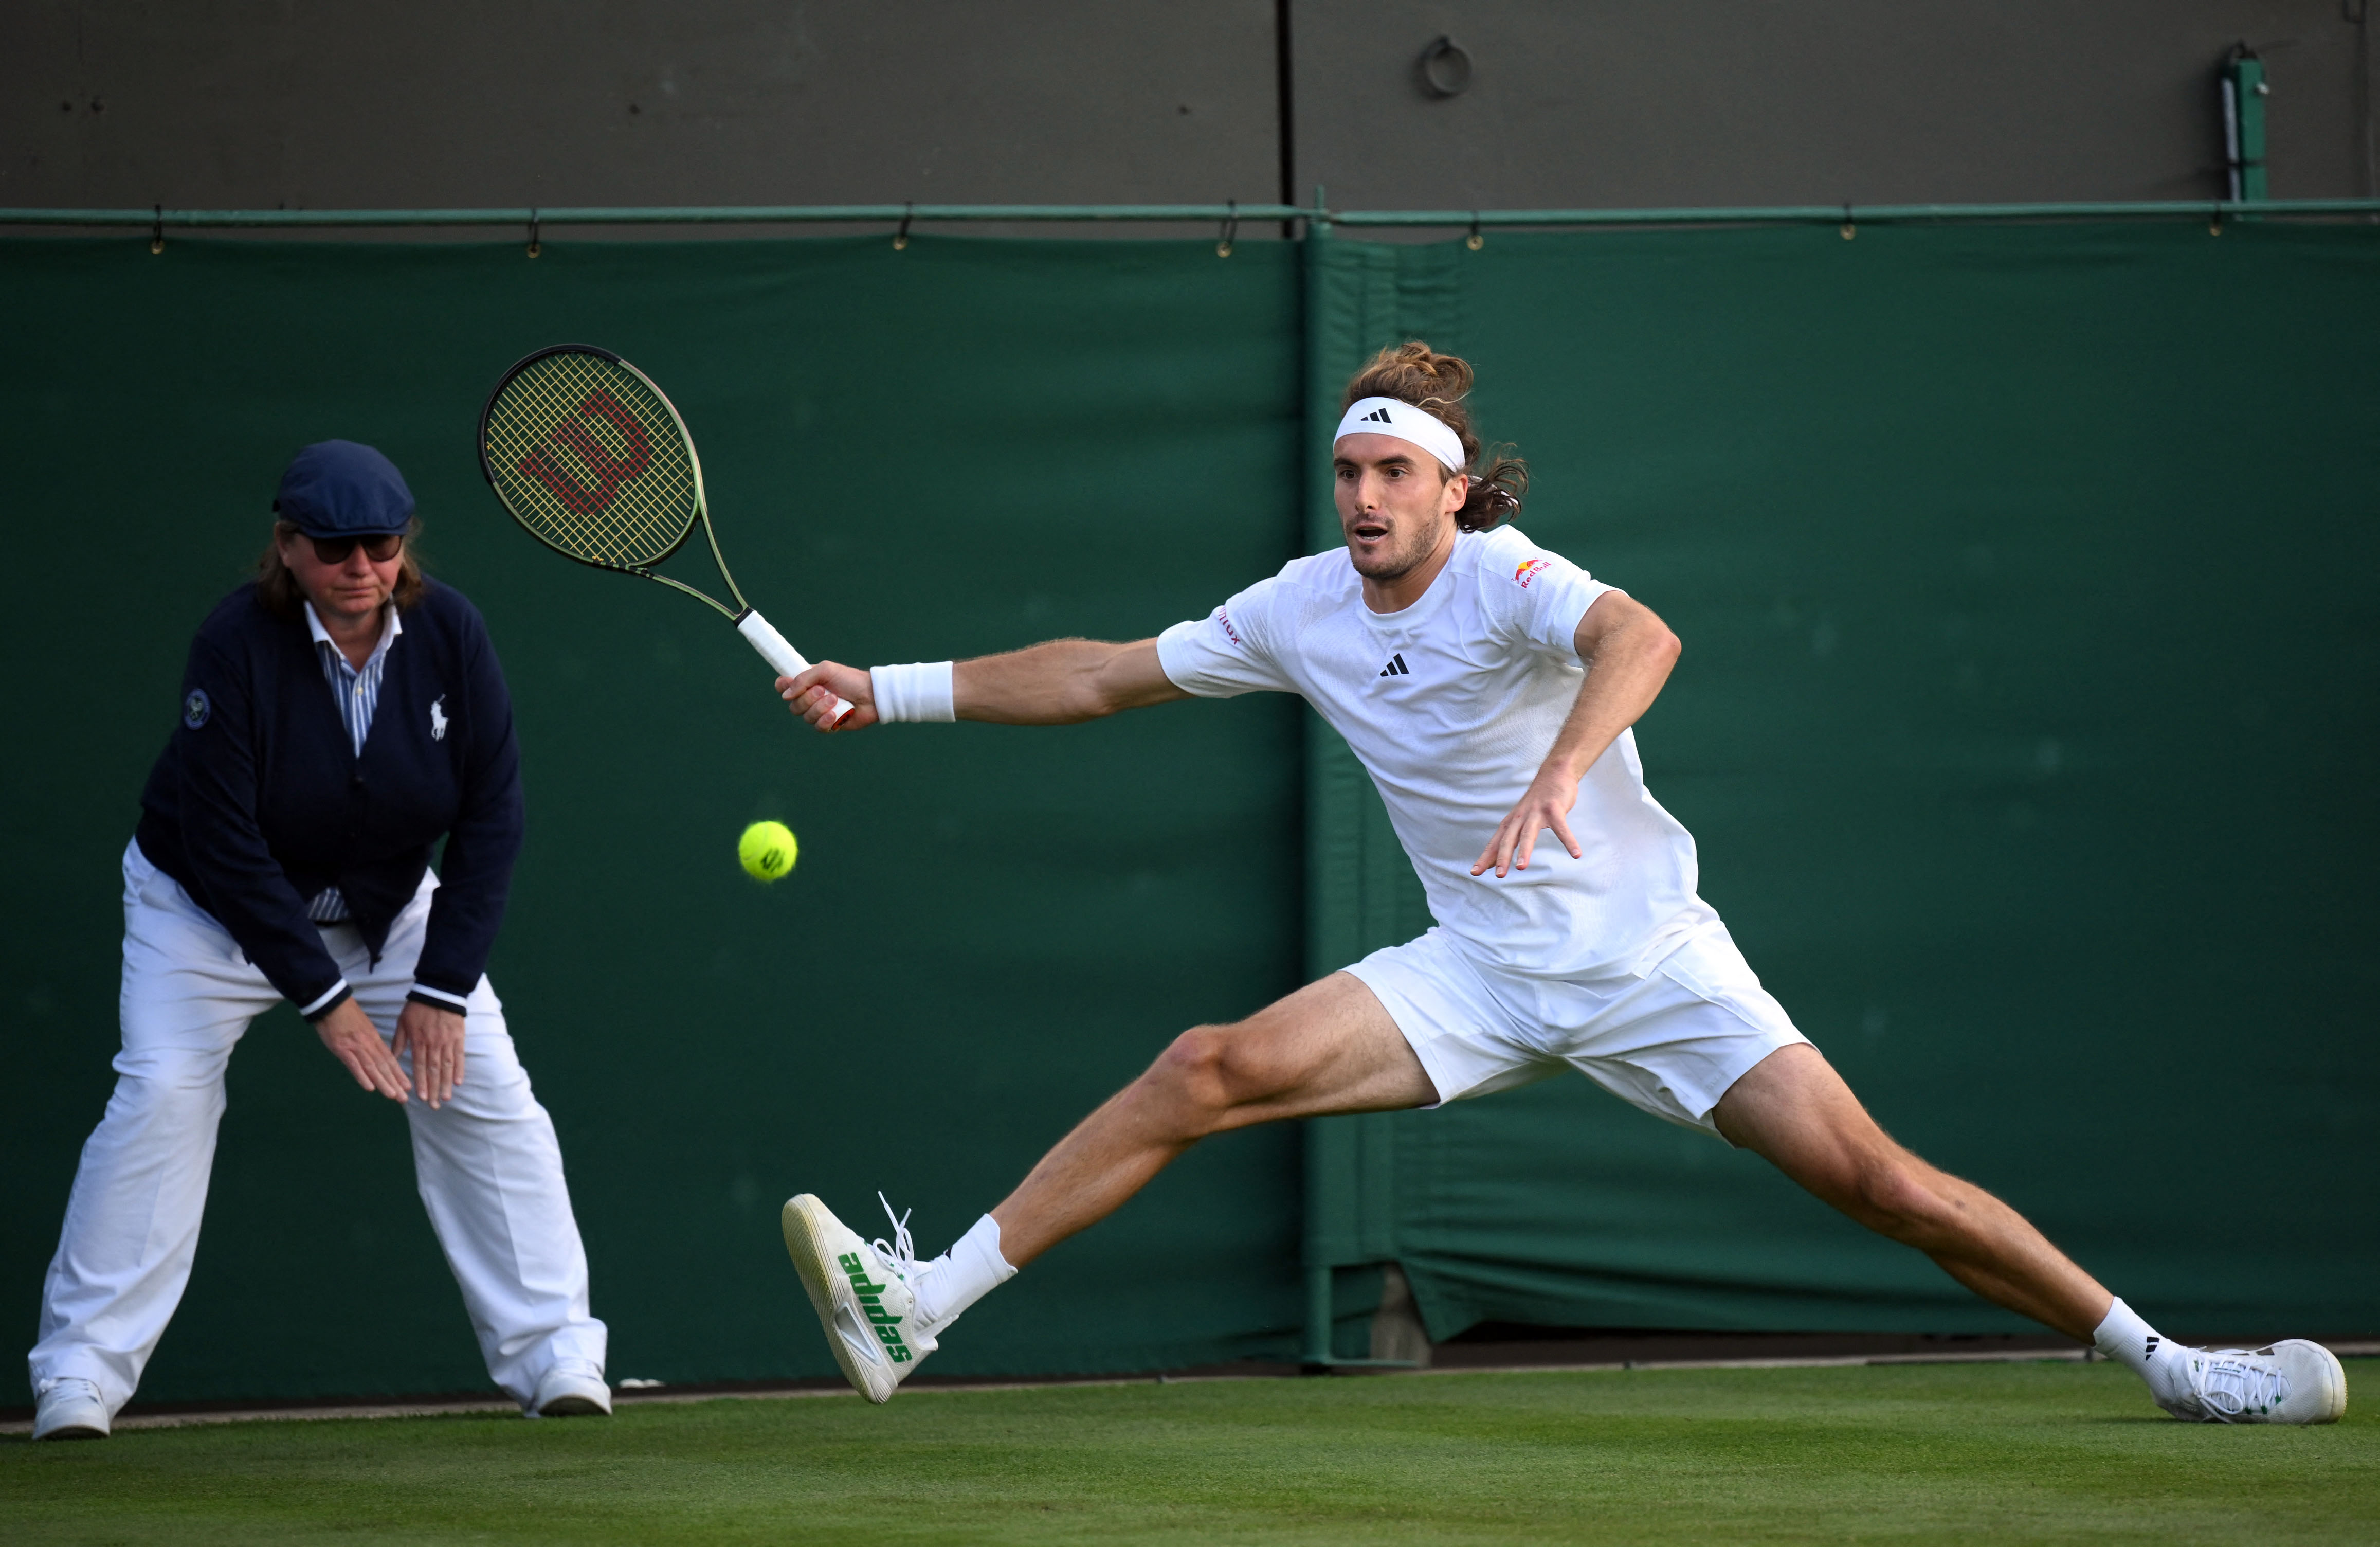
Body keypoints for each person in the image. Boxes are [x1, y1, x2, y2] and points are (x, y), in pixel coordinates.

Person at [772, 344, 2346, 1427]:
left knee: (1883, 1188)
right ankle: (921, 1305)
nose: (1364, 499)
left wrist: (1554, 771)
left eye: (1391, 474)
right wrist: (889, 689)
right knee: (1203, 1068)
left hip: (1651, 958)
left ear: (1453, 491)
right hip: (1476, 966)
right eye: (1345, 475)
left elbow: (1639, 639)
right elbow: (1104, 674)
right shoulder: (1300, 608)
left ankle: (2168, 1363)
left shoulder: (1516, 579)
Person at [28, 441, 609, 1441]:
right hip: (205, 914)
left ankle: (555, 1353)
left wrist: (441, 986)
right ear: (288, 546)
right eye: (333, 546)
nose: (360, 567)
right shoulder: (234, 642)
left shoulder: (450, 634)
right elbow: (223, 840)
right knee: (165, 1090)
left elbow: (492, 816)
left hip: (389, 909)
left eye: (379, 544)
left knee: (487, 1087)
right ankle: (78, 1375)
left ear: (403, 545)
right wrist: (324, 998)